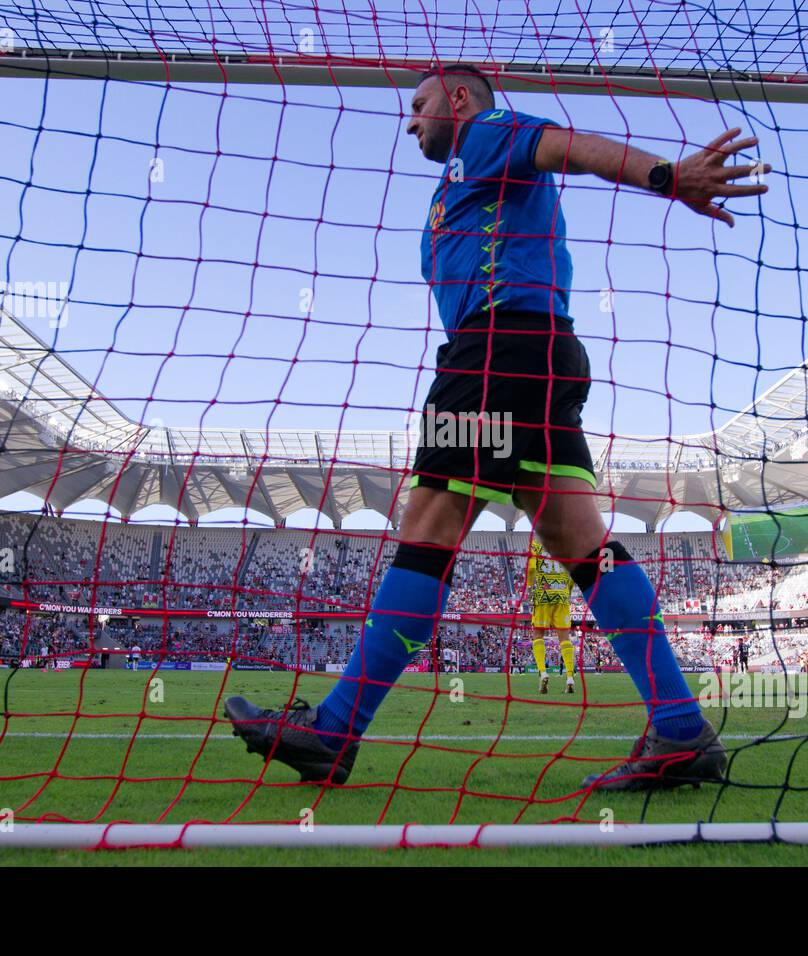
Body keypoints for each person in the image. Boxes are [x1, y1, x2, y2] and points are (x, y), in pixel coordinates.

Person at [225, 62, 768, 791]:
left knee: (428, 527)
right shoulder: (454, 193)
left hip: (494, 356)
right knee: (579, 542)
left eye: (418, 105)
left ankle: (334, 731)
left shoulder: (486, 133)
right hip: (538, 356)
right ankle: (679, 730)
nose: (410, 121)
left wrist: (669, 177)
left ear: (457, 99)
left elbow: (569, 147)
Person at [527, 537, 577, 694]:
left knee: (538, 635)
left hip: (543, 596)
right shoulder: (566, 545)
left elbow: (531, 569)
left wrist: (529, 589)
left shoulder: (536, 544)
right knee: (564, 638)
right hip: (561, 597)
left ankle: (543, 672)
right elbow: (573, 572)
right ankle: (569, 677)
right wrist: (567, 591)